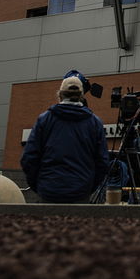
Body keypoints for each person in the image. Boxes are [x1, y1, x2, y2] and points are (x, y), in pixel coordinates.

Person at [20, 75, 110, 203]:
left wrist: (39, 186)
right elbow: (102, 162)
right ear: (82, 95)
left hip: (49, 190)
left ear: (60, 95)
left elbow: (29, 158)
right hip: (81, 191)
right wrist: (88, 187)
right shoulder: (94, 123)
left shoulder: (45, 119)